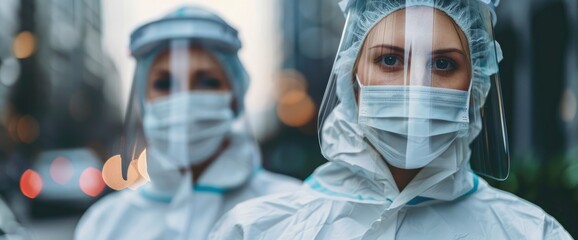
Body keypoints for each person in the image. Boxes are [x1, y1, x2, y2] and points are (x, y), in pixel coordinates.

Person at [209, 0, 573, 239]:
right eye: (389, 60)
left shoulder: (530, 233)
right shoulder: (259, 229)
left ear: (475, 87)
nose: (415, 86)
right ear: (352, 79)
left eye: (443, 63)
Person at [74, 5, 300, 240]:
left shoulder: (290, 209)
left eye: (208, 82)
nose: (184, 98)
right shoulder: (104, 224)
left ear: (234, 97)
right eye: (164, 84)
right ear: (144, 100)